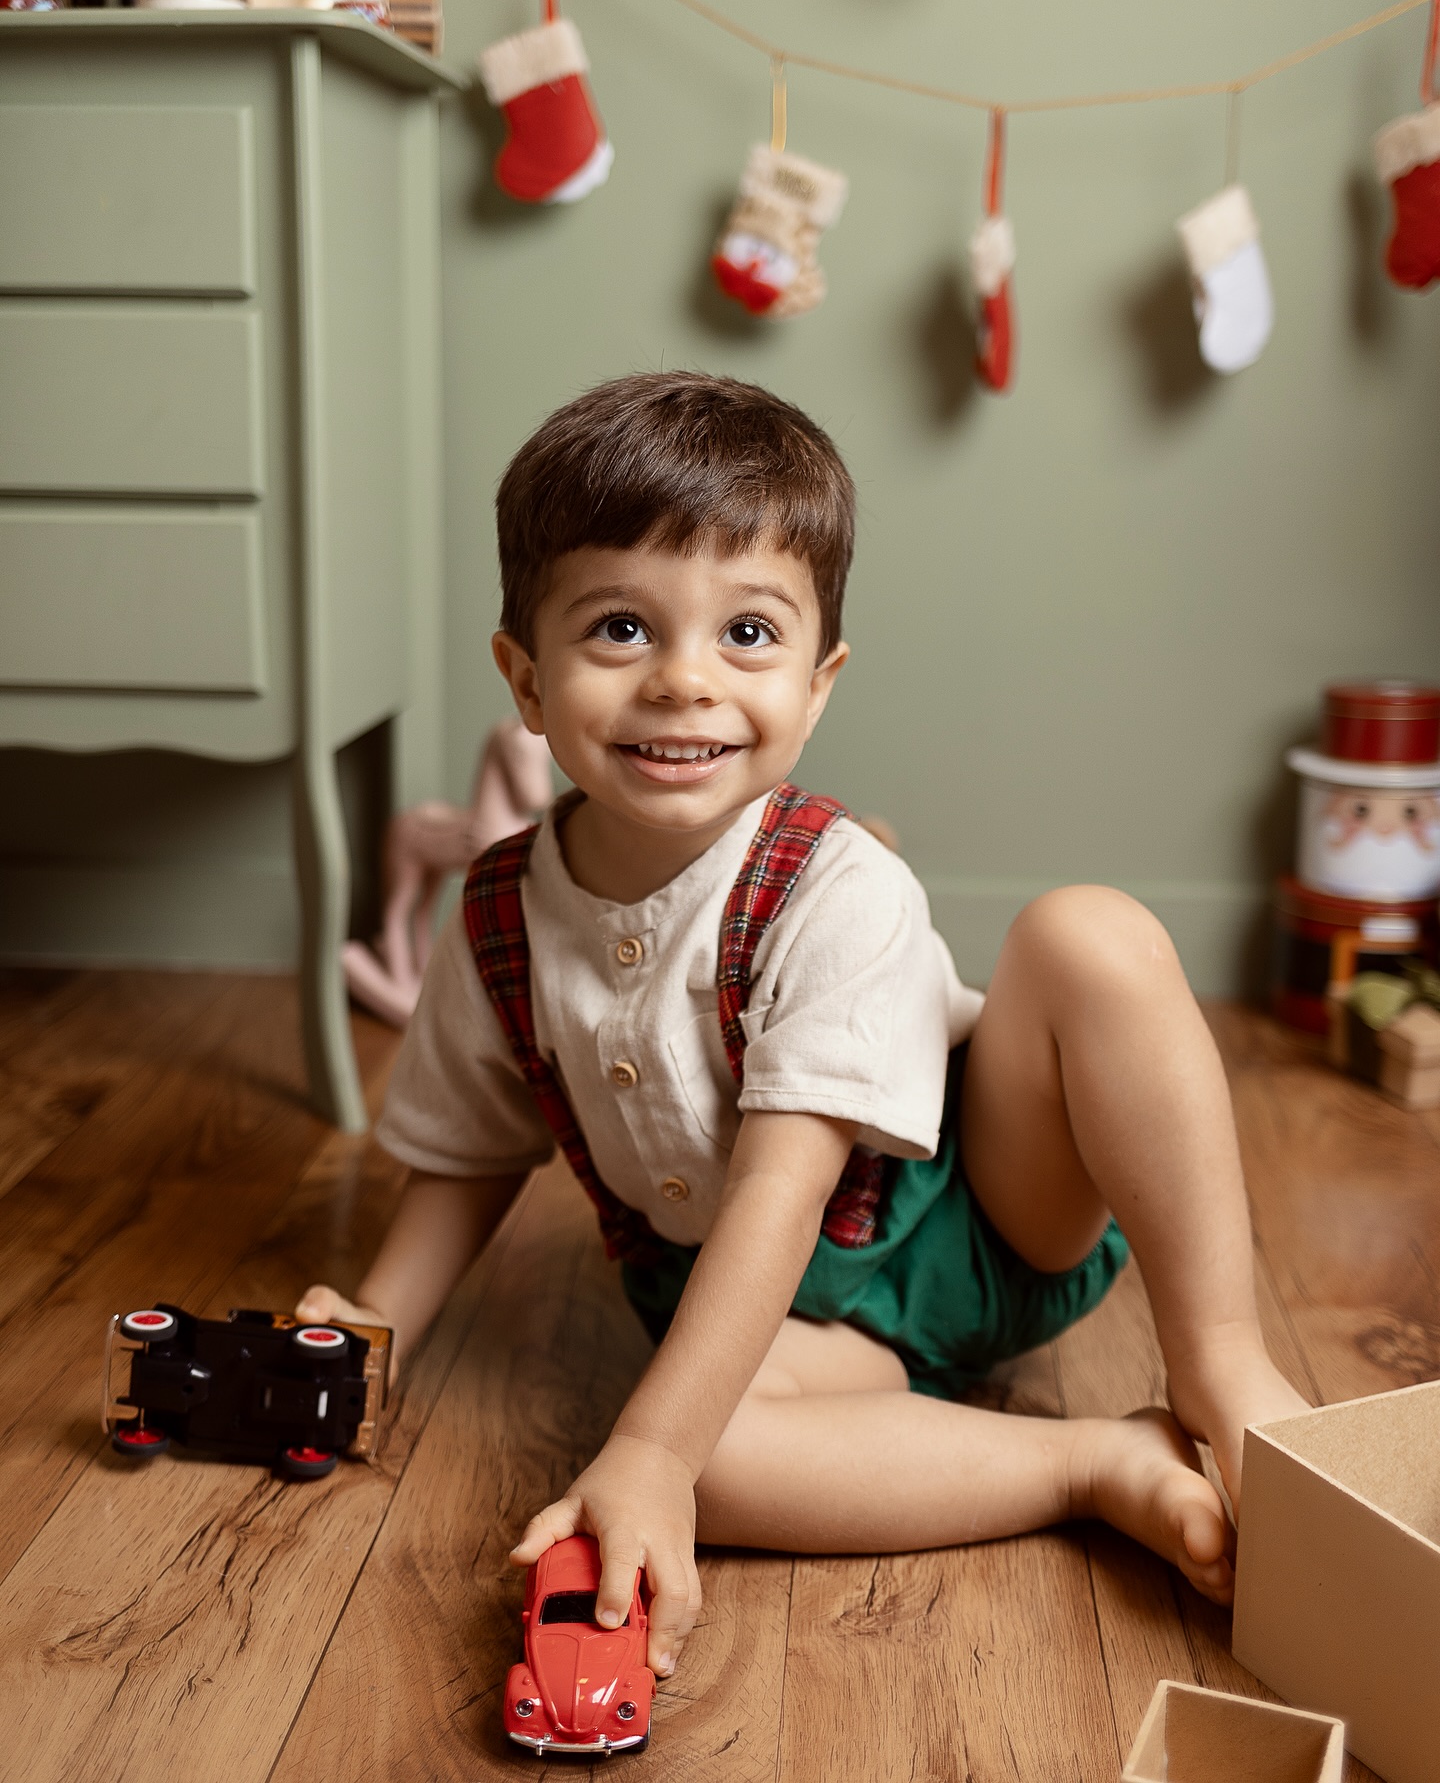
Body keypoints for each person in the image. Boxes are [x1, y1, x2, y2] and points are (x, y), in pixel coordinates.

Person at [297, 371, 1308, 1681]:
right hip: (778, 1321)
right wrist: (376, 1332)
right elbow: (470, 1158)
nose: (682, 682)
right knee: (707, 1452)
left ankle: (1227, 1373)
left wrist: (649, 1450)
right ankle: (1091, 1464)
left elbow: (786, 1184)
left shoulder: (836, 887)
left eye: (748, 635)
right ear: (525, 679)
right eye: (617, 628)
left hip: (975, 1209)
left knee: (1089, 935)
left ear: (820, 681)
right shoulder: (498, 914)